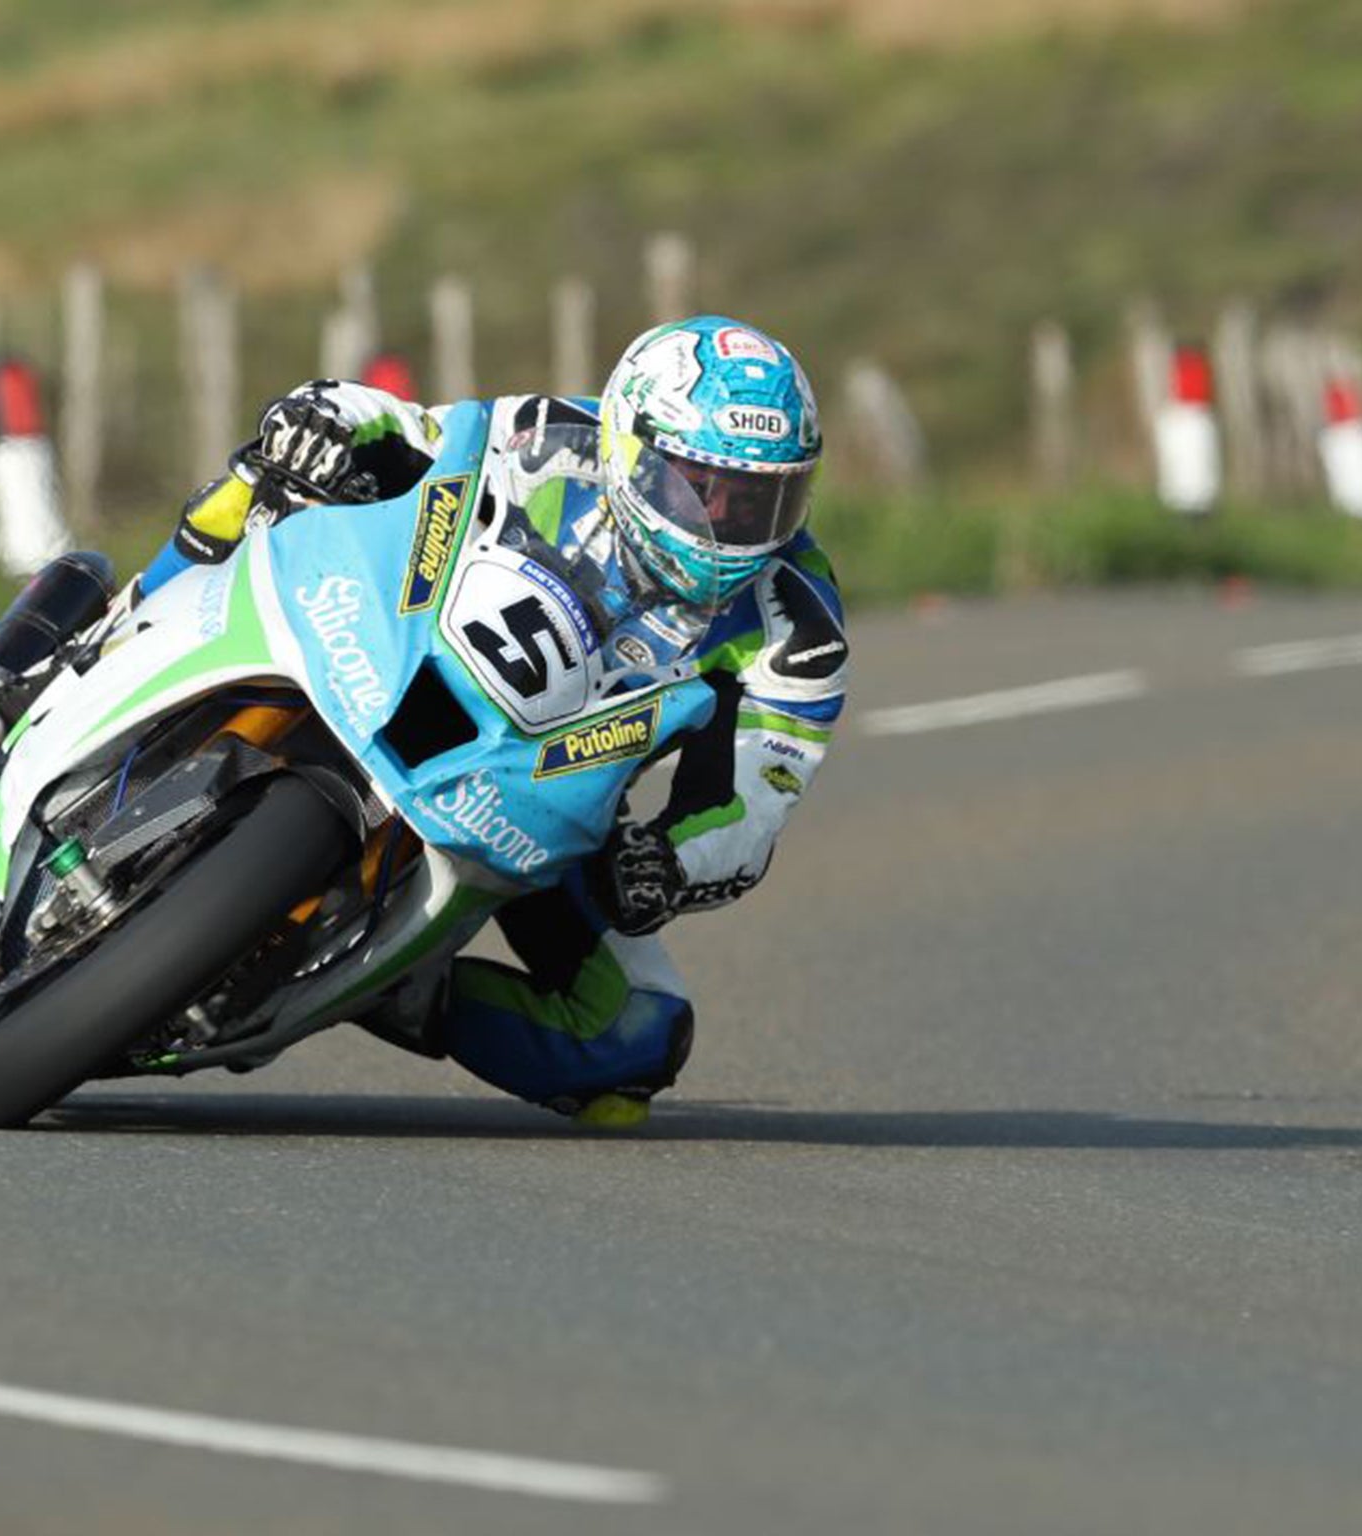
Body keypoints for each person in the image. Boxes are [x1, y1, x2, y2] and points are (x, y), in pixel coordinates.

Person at [135, 315, 848, 1127]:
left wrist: (668, 864)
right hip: (400, 645)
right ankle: (115, 623)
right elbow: (424, 432)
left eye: (762, 499)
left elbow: (756, 798)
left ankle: (383, 983)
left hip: (548, 799)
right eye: (700, 485)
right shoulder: (553, 435)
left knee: (635, 1038)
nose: (725, 521)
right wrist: (329, 422)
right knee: (272, 478)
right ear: (633, 447)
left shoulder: (798, 625)